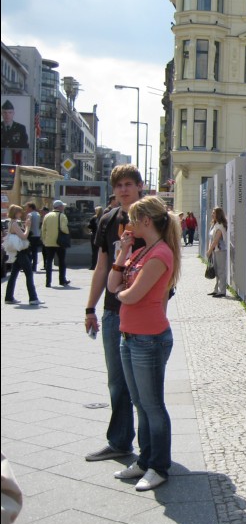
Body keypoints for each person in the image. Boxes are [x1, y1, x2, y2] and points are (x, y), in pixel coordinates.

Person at [108, 195, 181, 491]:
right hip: (130, 336)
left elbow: (131, 295)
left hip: (149, 339)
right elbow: (114, 286)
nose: (129, 224)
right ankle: (145, 460)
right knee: (140, 403)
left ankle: (158, 466)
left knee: (152, 405)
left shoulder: (160, 253)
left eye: (133, 219)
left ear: (146, 221)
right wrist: (122, 253)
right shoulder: (141, 251)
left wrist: (124, 292)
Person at [84, 164, 145, 463]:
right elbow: (101, 268)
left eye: (129, 184)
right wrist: (89, 308)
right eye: (119, 184)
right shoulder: (108, 220)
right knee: (117, 382)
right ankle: (120, 442)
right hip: (112, 313)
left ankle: (152, 452)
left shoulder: (152, 219)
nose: (123, 189)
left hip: (143, 313)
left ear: (139, 186)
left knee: (144, 385)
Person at [3, 204, 41, 306]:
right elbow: (24, 236)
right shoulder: (14, 223)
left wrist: (25, 225)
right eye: (20, 211)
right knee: (29, 273)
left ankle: (9, 297)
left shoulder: (12, 223)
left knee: (14, 274)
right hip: (21, 252)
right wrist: (28, 227)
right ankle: (33, 298)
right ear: (16, 213)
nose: (21, 213)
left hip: (17, 252)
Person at [40, 200, 70, 288]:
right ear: (60, 207)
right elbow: (64, 228)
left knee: (49, 261)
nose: (63, 207)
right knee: (61, 261)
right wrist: (68, 233)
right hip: (59, 242)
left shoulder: (47, 216)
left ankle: (48, 282)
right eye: (62, 206)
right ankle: (62, 280)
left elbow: (43, 229)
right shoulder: (62, 216)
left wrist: (44, 240)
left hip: (49, 242)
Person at [206, 207, 228, 297]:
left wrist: (209, 251)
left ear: (218, 214)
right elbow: (211, 239)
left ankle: (222, 291)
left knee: (221, 271)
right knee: (216, 271)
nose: (212, 214)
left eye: (214, 213)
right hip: (216, 250)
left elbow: (216, 240)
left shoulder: (220, 225)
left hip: (220, 250)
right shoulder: (215, 224)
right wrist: (210, 250)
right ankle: (216, 289)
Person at [1, 100, 29, 165]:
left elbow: (25, 145)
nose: (7, 115)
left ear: (13, 113)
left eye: (9, 112)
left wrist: (18, 149)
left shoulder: (21, 128)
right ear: (1, 113)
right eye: (5, 112)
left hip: (16, 159)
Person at [25, 202, 42, 272]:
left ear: (30, 207)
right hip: (37, 234)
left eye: (27, 207)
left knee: (28, 251)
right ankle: (34, 266)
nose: (26, 208)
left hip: (31, 235)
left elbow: (28, 225)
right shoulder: (38, 214)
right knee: (35, 251)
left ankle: (28, 266)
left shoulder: (29, 214)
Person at [88, 206, 103, 270]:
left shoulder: (93, 218)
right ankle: (100, 265)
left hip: (94, 235)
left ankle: (93, 265)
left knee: (94, 252)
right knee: (100, 251)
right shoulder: (103, 218)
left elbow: (89, 226)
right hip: (101, 236)